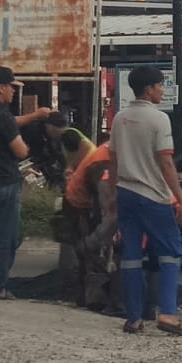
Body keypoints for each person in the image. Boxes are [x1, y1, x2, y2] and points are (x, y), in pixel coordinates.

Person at [108, 65, 182, 335]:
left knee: (132, 256)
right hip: (153, 196)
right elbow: (166, 163)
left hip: (125, 193)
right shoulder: (159, 120)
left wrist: (112, 197)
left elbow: (113, 159)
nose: (162, 90)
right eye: (159, 85)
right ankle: (167, 313)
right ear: (148, 89)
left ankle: (134, 318)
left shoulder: (119, 118)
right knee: (171, 253)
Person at [0, 66, 51, 300]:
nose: (13, 93)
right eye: (12, 88)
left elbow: (8, 123)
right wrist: (28, 144)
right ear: (1, 87)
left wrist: (33, 116)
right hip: (5, 180)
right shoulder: (2, 114)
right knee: (7, 236)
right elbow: (20, 150)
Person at [63, 132, 116, 312]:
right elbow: (101, 197)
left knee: (92, 252)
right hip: (80, 204)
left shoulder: (112, 148)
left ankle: (87, 296)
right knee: (92, 252)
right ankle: (93, 298)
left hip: (81, 200)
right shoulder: (101, 163)